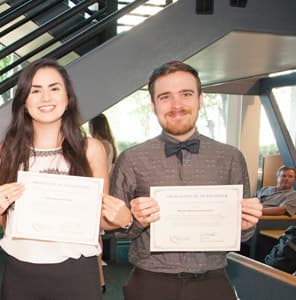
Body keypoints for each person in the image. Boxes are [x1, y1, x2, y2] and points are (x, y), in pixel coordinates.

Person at [109, 60, 263, 300]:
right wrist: (134, 221)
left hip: (213, 283)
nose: (177, 105)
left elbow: (243, 235)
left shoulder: (230, 157)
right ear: (153, 105)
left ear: (200, 99)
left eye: (186, 94)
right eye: (165, 97)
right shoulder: (131, 159)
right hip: (150, 283)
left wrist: (246, 225)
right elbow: (116, 233)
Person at [0, 58, 132, 299]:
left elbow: (99, 219)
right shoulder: (5, 152)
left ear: (68, 99)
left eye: (54, 88)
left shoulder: (91, 149)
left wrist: (122, 219)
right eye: (35, 90)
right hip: (22, 270)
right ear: (24, 100)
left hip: (76, 271)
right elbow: (6, 221)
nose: (46, 98)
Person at [89, 112, 118, 293]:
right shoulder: (110, 145)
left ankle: (99, 278)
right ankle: (99, 278)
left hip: (97, 191)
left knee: (94, 237)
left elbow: (101, 172)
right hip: (103, 188)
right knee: (95, 236)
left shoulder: (98, 145)